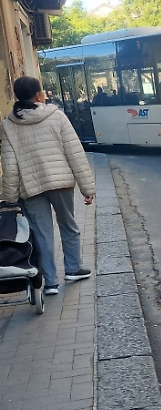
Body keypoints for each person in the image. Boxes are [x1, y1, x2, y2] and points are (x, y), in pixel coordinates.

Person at [0, 76, 95, 296]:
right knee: (68, 226)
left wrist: (10, 199)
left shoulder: (8, 125)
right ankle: (73, 269)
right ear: (38, 95)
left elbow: (10, 166)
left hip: (30, 187)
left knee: (41, 234)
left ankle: (50, 282)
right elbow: (75, 153)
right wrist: (87, 188)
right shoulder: (56, 116)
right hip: (61, 182)